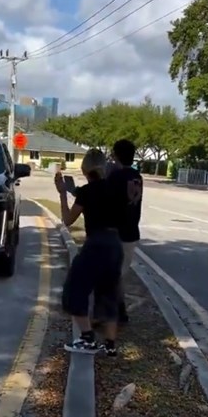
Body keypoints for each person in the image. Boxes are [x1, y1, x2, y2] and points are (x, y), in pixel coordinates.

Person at [55, 148, 124, 355]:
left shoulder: (86, 192)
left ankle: (87, 339)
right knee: (109, 294)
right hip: (115, 244)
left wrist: (62, 194)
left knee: (74, 289)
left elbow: (67, 220)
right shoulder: (115, 190)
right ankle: (110, 346)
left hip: (96, 244)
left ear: (85, 170)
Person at [106, 138, 143, 323]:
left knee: (113, 275)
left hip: (116, 231)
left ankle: (116, 312)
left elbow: (107, 201)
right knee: (121, 274)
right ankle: (119, 309)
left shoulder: (115, 177)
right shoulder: (137, 176)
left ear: (116, 155)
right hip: (131, 231)